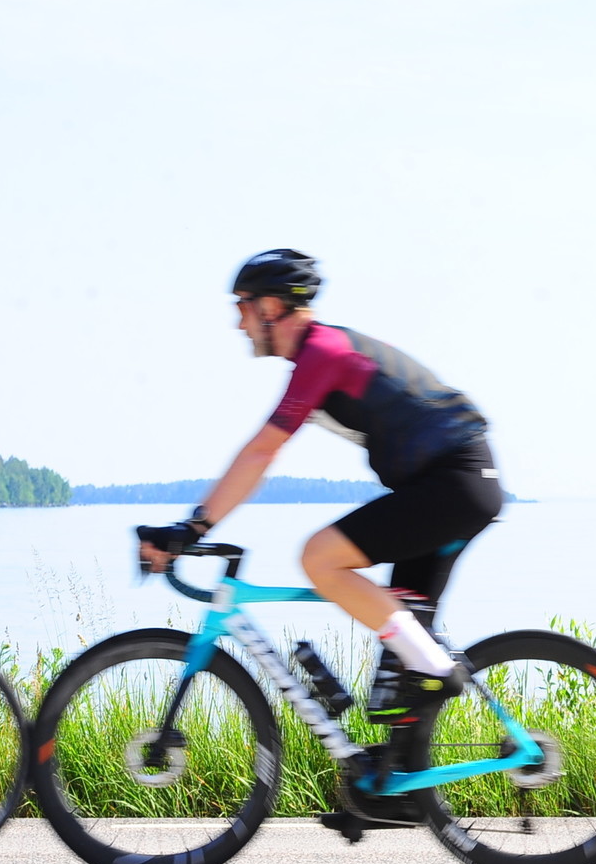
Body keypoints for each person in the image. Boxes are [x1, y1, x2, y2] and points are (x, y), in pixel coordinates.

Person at [138, 248, 503, 740]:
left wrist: (195, 526)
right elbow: (261, 458)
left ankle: (442, 671)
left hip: (453, 485)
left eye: (242, 307)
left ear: (270, 307)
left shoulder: (323, 354)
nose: (238, 323)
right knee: (398, 685)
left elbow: (261, 453)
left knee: (320, 557)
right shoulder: (321, 355)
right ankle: (393, 776)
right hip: (451, 486)